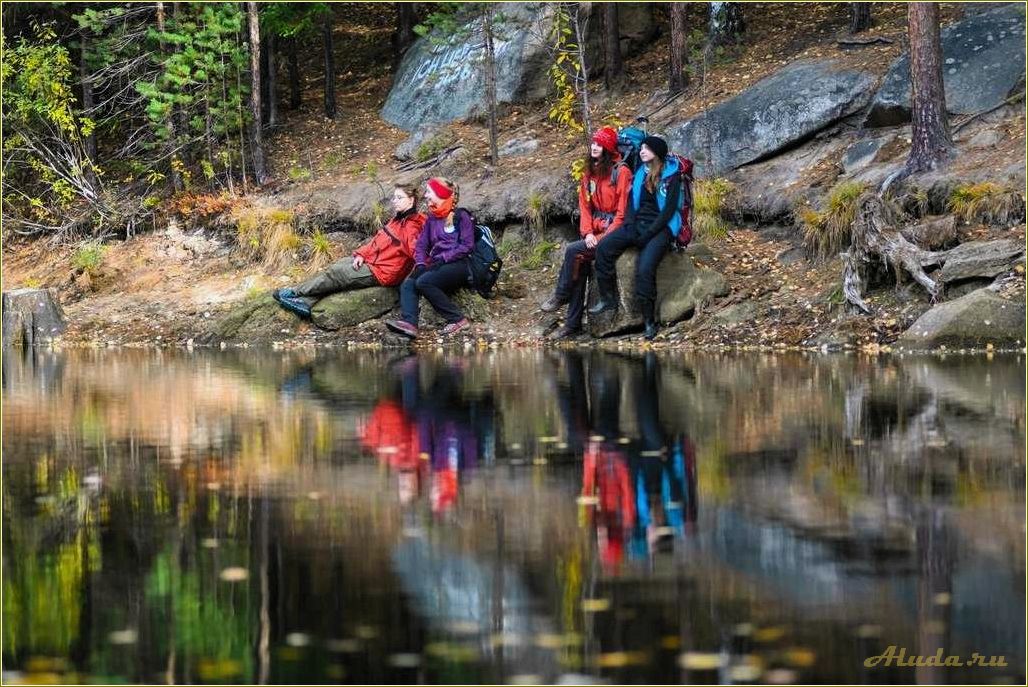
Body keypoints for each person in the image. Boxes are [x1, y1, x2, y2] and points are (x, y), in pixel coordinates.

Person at [272, 185, 426, 318]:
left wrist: (419, 273)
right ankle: (305, 303)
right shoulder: (397, 219)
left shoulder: (412, 227)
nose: (394, 201)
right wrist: (361, 254)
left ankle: (295, 292)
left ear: (411, 201)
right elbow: (376, 242)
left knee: (338, 273)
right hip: (373, 262)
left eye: (399, 198)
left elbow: (417, 253)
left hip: (383, 272)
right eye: (394, 197)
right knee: (340, 265)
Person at [588, 136, 684, 341]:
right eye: (641, 148)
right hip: (638, 225)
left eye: (646, 148)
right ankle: (608, 298)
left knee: (644, 268)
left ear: (657, 152)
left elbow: (668, 212)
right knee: (604, 247)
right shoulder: (641, 172)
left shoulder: (672, 176)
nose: (641, 151)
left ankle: (649, 321)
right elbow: (632, 204)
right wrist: (629, 226)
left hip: (661, 228)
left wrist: (648, 235)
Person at [540, 126, 631, 339]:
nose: (594, 147)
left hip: (615, 232)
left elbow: (623, 213)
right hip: (595, 232)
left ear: (608, 148)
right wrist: (588, 233)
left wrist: (604, 238)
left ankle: (561, 295)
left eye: (599, 144)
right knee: (578, 265)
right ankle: (573, 324)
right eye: (593, 143)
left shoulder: (622, 172)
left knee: (573, 251)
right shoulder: (589, 173)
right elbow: (585, 207)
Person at [385, 177, 474, 339]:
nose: (426, 196)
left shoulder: (462, 216)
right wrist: (420, 262)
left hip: (459, 264)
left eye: (429, 192)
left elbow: (467, 246)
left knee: (424, 282)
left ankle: (458, 319)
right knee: (409, 283)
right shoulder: (432, 219)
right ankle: (410, 324)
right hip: (438, 264)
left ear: (440, 194)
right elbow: (421, 245)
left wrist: (445, 257)